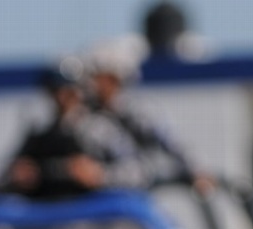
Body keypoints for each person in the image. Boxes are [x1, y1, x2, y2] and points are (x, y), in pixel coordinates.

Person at [82, 35, 217, 195]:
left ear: (113, 79)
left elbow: (171, 143)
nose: (89, 83)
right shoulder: (87, 117)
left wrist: (198, 171)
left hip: (137, 199)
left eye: (96, 76)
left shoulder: (139, 112)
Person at [0, 64, 146, 198]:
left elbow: (138, 173)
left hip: (96, 219)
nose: (61, 98)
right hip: (48, 218)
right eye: (55, 91)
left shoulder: (100, 131)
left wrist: (100, 175)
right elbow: (5, 173)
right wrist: (19, 174)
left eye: (68, 92)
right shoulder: (40, 133)